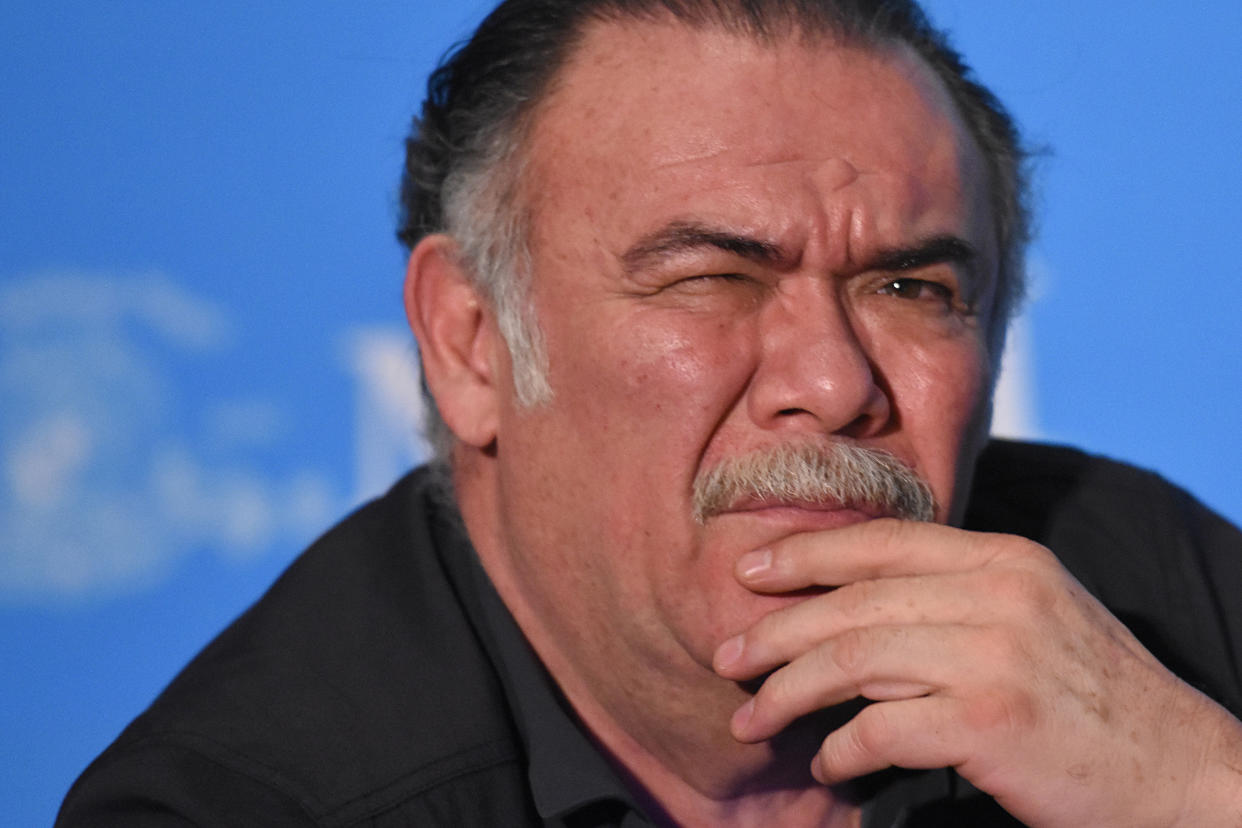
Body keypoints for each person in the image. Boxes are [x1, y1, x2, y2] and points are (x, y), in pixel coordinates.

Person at [58, 0, 1242, 825]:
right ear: (471, 343)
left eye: (909, 288)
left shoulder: (1152, 598)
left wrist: (1198, 791)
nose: (831, 384)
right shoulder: (251, 803)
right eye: (712, 278)